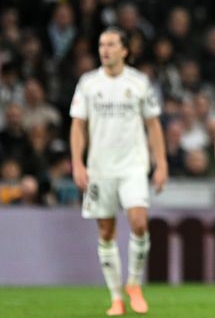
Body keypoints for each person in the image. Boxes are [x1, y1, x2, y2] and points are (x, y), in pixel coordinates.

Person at [70, 27, 168, 316]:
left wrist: (161, 163)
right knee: (106, 230)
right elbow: (78, 125)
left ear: (124, 50)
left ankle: (134, 284)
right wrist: (77, 163)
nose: (105, 49)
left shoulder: (139, 82)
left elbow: (153, 124)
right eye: (102, 44)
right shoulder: (88, 83)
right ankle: (116, 298)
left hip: (133, 165)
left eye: (111, 44)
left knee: (139, 222)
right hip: (100, 168)